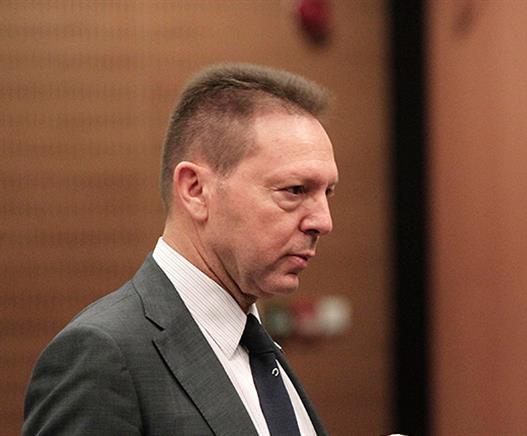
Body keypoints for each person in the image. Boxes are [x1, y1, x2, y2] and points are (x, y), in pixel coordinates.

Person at [23, 64, 336, 435]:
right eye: (295, 190)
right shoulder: (103, 355)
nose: (323, 221)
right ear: (195, 190)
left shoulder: (257, 347)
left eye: (328, 193)